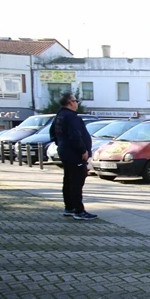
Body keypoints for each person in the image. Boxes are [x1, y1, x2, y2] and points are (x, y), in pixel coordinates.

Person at [52, 92, 96, 220]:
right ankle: (78, 210)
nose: (77, 103)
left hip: (65, 152)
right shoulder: (71, 117)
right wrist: (82, 150)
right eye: (75, 100)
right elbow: (75, 135)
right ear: (70, 103)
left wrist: (61, 144)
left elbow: (53, 133)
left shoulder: (60, 116)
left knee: (68, 180)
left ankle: (69, 207)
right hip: (74, 154)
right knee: (77, 182)